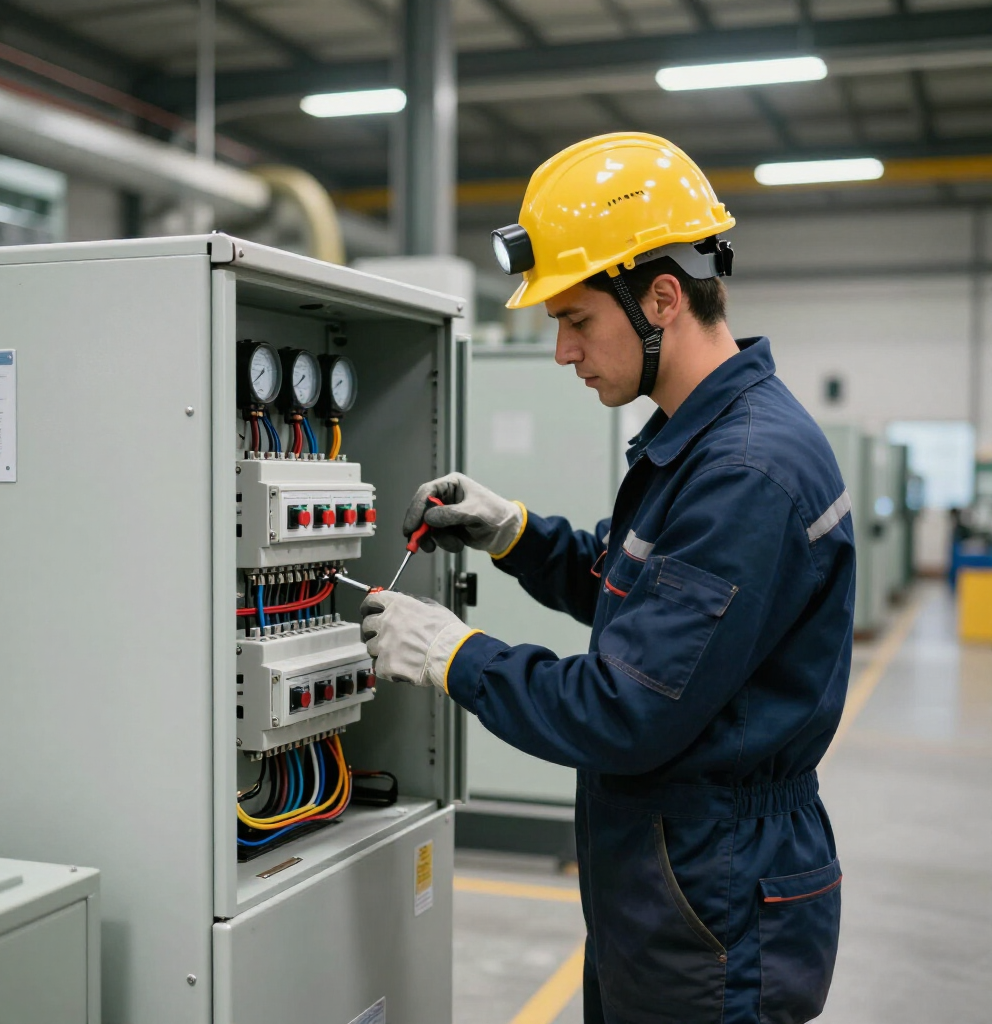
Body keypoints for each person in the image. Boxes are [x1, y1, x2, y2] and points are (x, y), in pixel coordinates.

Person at [361, 133, 855, 1024]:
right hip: (676, 878)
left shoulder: (745, 469)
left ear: (661, 298)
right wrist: (513, 533)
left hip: (716, 895)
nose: (562, 352)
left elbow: (626, 708)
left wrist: (452, 654)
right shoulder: (707, 441)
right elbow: (650, 603)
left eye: (575, 320)